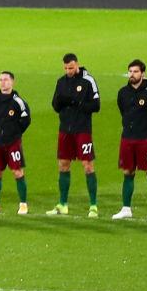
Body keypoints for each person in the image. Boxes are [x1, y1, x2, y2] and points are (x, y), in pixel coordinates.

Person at [48, 51, 102, 218]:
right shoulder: (61, 82)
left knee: (87, 165)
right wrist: (61, 101)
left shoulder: (88, 81)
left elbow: (96, 105)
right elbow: (55, 105)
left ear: (77, 64)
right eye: (65, 68)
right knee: (63, 164)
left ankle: (93, 206)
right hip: (65, 129)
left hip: (82, 130)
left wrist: (76, 102)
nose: (68, 71)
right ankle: (63, 204)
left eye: (71, 68)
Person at [112, 59, 147, 221]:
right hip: (127, 138)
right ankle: (126, 208)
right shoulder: (123, 93)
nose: (132, 75)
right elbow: (123, 112)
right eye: (130, 71)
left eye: (135, 71)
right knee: (128, 172)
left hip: (145, 140)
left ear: (143, 73)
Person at [0, 71, 33, 215]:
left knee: (17, 172)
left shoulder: (18, 102)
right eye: (0, 80)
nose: (2, 82)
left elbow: (26, 120)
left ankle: (23, 204)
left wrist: (14, 133)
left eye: (5, 80)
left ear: (12, 82)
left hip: (13, 143)